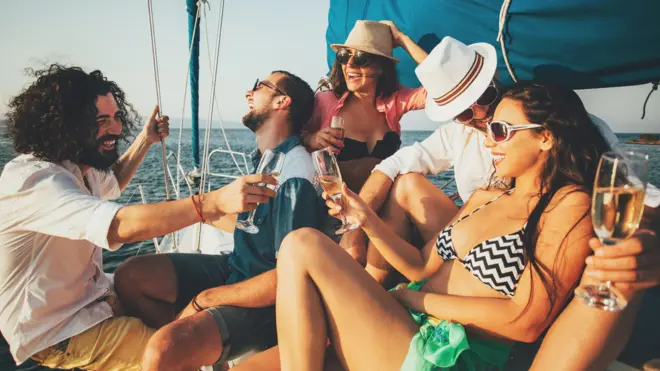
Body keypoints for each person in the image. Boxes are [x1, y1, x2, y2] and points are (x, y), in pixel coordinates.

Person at [273, 82, 611, 370]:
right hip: (410, 321)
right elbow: (420, 266)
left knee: (302, 244)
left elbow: (525, 321)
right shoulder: (486, 196)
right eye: (489, 127)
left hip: (448, 354)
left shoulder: (569, 205)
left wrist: (412, 300)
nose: (488, 141)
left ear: (546, 137)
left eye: (500, 131)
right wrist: (367, 220)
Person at [0, 64, 277, 370]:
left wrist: (145, 140)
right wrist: (211, 203)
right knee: (175, 353)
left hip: (94, 301)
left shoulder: (79, 169)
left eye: (117, 118)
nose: (116, 129)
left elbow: (114, 182)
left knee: (144, 283)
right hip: (59, 330)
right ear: (67, 125)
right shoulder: (35, 180)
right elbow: (120, 225)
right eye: (101, 121)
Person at [341, 36, 627, 282]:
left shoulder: (561, 123)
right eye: (464, 113)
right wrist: (355, 231)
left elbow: (631, 189)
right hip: (475, 233)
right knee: (405, 184)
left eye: (486, 96)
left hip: (529, 242)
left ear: (496, 81)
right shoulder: (459, 136)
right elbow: (391, 166)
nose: (479, 115)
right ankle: (371, 281)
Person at [113, 70, 326, 370]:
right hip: (237, 268)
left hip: (269, 303)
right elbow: (257, 228)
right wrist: (195, 213)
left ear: (282, 102)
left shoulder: (295, 174)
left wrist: (206, 299)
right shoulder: (267, 159)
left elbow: (290, 277)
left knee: (164, 350)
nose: (248, 94)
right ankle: (198, 351)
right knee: (130, 277)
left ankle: (183, 348)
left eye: (259, 86)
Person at [303, 20, 428, 192]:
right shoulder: (324, 101)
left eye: (362, 58)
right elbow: (290, 136)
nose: (350, 64)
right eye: (344, 56)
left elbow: (447, 86)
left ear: (382, 67)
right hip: (337, 208)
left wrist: (401, 39)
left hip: (382, 208)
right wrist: (311, 138)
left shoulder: (395, 101)